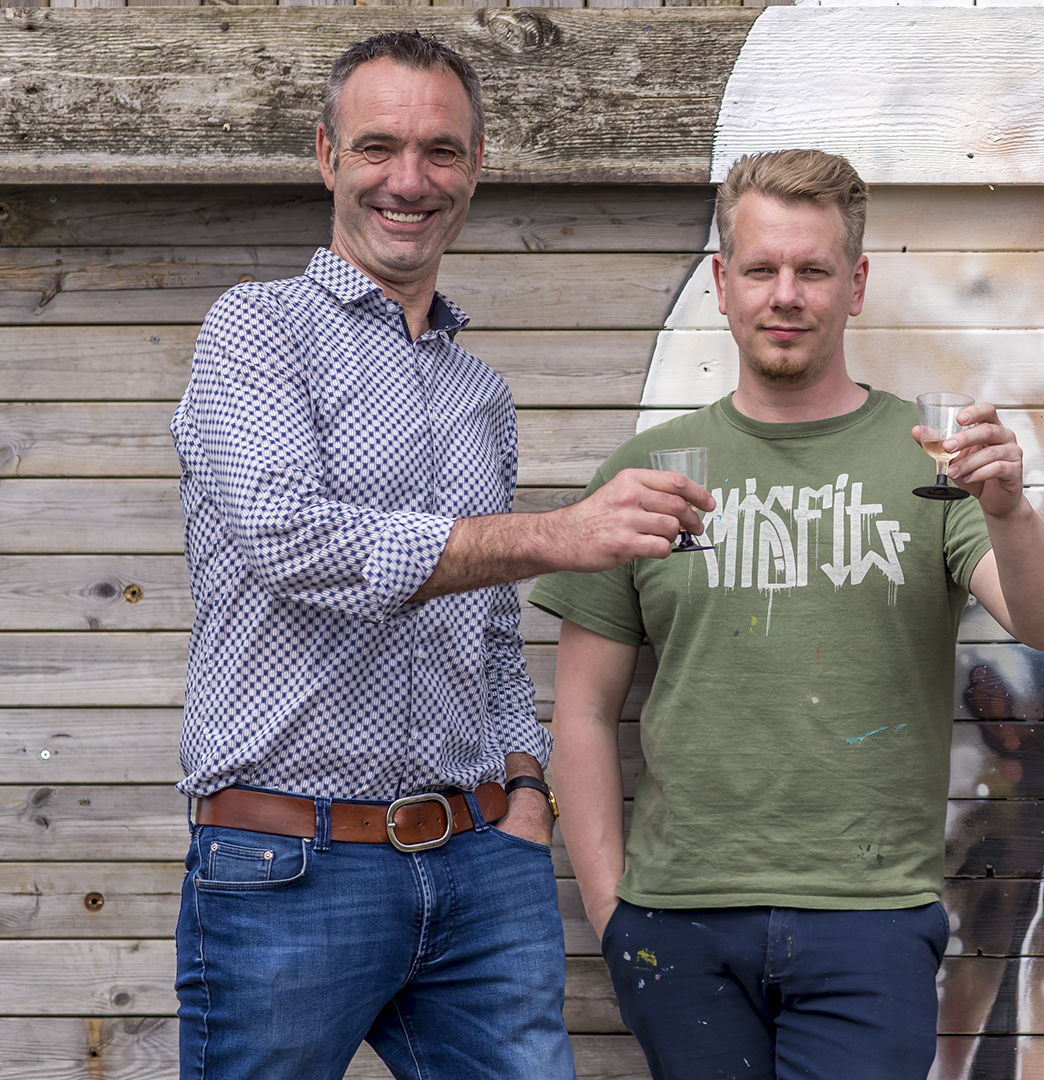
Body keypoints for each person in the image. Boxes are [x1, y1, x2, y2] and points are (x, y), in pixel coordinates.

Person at [169, 31, 712, 1080]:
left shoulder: (480, 394)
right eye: (379, 147)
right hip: (288, 865)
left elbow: (491, 627)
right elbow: (291, 540)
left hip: (480, 868)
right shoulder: (256, 331)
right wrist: (558, 533)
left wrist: (525, 790)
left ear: (476, 167)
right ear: (327, 156)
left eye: (441, 152)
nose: (409, 181)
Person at [529, 148, 1044, 1080]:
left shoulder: (934, 460)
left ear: (854, 285)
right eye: (761, 269)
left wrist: (1008, 510)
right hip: (679, 920)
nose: (785, 295)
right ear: (722, 284)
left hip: (871, 920)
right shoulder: (648, 470)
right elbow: (582, 711)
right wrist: (610, 909)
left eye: (812, 270)